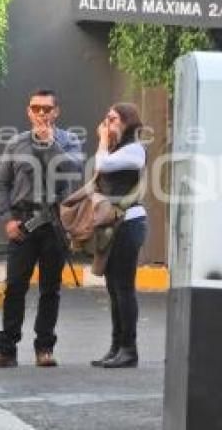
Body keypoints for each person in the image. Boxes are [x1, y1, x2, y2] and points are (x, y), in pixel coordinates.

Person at [0, 89, 81, 369]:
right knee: (15, 288)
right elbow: (2, 184)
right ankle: (6, 350)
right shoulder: (16, 143)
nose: (41, 114)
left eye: (47, 109)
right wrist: (8, 218)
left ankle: (44, 348)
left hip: (54, 224)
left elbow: (72, 172)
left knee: (50, 289)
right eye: (36, 108)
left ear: (56, 112)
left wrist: (51, 145)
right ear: (28, 111)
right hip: (23, 223)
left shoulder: (69, 141)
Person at [90, 103, 147, 369]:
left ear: (127, 122)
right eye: (106, 119)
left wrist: (102, 140)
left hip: (129, 223)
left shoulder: (135, 149)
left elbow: (102, 165)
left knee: (124, 288)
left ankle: (129, 349)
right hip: (113, 225)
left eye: (112, 119)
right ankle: (116, 346)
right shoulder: (117, 149)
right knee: (113, 288)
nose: (107, 124)